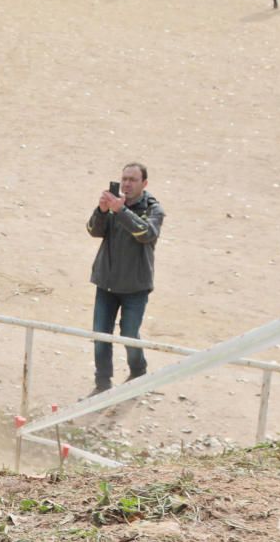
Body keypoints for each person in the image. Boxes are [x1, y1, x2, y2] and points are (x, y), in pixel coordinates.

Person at [86, 163, 165, 395]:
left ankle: (138, 372)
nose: (127, 184)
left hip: (135, 286)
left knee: (130, 334)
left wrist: (122, 212)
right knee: (101, 334)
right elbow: (93, 231)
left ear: (144, 184)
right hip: (106, 282)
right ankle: (102, 384)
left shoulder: (154, 210)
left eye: (133, 179)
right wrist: (101, 211)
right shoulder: (113, 205)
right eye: (124, 179)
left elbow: (146, 234)